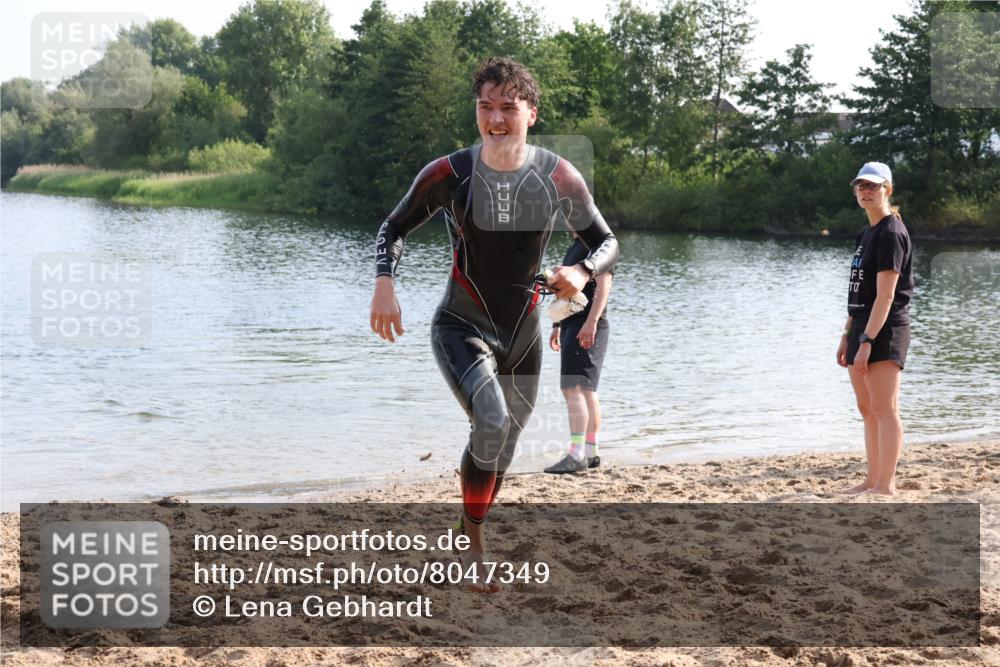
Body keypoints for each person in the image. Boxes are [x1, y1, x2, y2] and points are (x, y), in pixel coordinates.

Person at [369, 57, 619, 591]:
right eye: (486, 106)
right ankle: (476, 548)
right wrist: (385, 284)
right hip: (462, 325)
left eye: (509, 107)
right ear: (476, 111)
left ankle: (468, 523)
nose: (497, 118)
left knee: (500, 447)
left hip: (525, 334)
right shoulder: (450, 173)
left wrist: (580, 269)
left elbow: (607, 242)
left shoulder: (557, 175)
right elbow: (391, 229)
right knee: (490, 418)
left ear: (532, 112)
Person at [836, 162, 914, 496]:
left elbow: (885, 296)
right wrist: (847, 334)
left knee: (885, 409)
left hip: (884, 329)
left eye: (874, 186)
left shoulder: (891, 232)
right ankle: (871, 479)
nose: (866, 191)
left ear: (888, 190)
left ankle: (886, 485)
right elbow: (860, 292)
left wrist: (867, 340)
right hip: (861, 328)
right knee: (867, 410)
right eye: (861, 186)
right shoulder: (866, 232)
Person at [545, 231, 614, 473]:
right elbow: (568, 292)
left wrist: (591, 322)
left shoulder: (600, 247)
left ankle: (576, 454)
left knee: (573, 388)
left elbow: (604, 285)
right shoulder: (576, 246)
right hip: (573, 323)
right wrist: (557, 324)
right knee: (584, 389)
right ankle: (590, 452)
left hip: (588, 325)